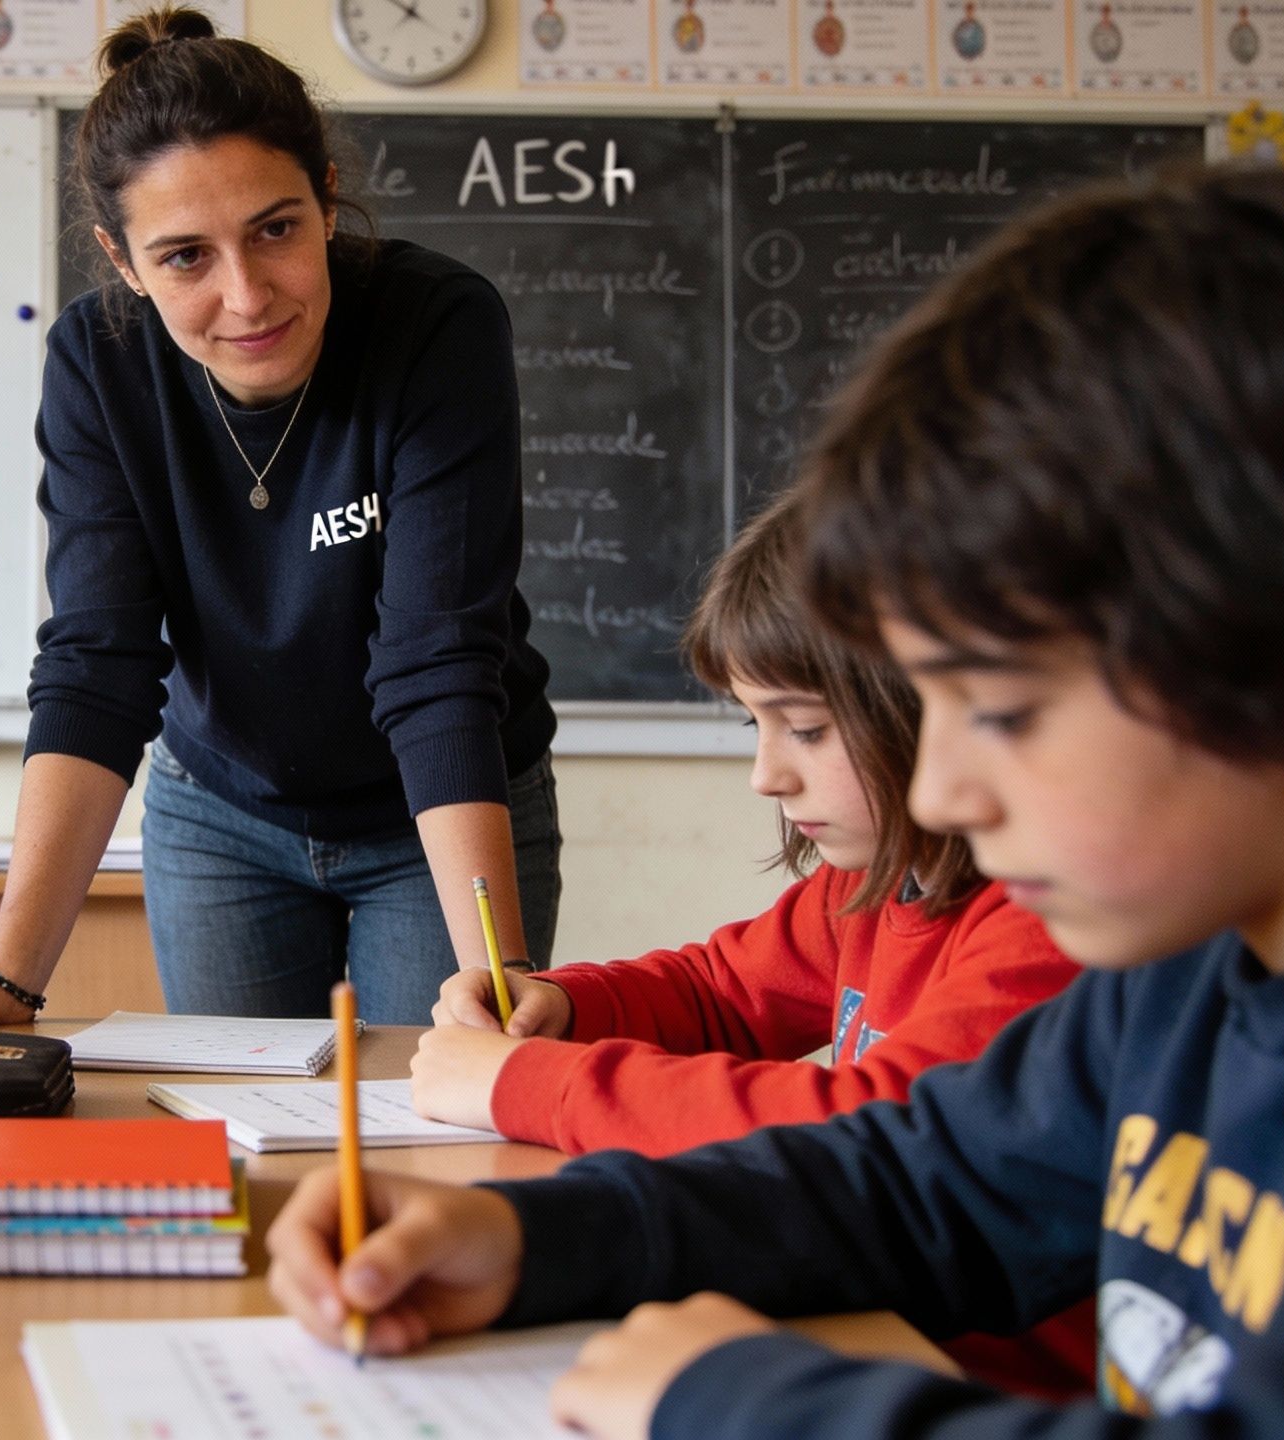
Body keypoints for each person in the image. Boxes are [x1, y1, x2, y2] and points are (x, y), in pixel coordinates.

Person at [265, 165, 1284, 1437]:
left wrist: (737, 1398)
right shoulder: (1194, 974)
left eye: (1003, 708)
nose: (940, 788)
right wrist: (528, 1235)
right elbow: (926, 1184)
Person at [0, 7, 559, 1029]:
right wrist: (6, 984)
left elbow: (437, 664)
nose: (246, 297)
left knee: (437, 1127)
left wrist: (496, 991)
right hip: (219, 817)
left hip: (432, 814)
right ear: (122, 259)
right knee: (246, 1152)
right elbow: (97, 662)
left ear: (327, 198)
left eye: (275, 230)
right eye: (185, 257)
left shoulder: (436, 325)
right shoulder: (97, 364)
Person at [408, 498, 1086, 1396]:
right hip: (867, 1331)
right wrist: (564, 1005)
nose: (768, 773)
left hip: (972, 1381)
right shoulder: (869, 881)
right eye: (753, 725)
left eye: (804, 728)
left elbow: (869, 1132)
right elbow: (720, 992)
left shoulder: (1051, 924)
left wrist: (522, 1082)